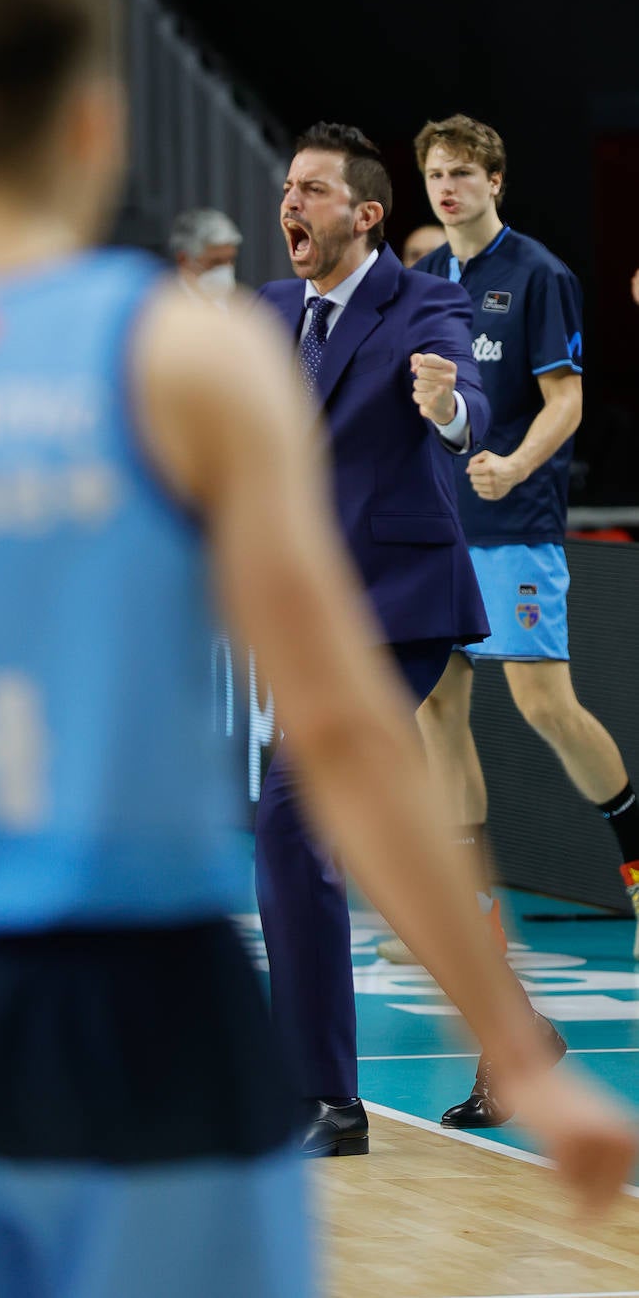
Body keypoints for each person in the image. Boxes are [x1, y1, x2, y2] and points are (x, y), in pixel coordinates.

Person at [0, 0, 634, 1296]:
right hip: (140, 999)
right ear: (95, 126)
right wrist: (510, 1045)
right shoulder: (190, 355)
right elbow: (335, 726)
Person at [253, 121, 492, 1158]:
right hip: (308, 619)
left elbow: (468, 401)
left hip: (398, 606)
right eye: (286, 187)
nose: (289, 204)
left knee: (287, 820)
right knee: (371, 850)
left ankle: (326, 1102)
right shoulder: (266, 313)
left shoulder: (421, 299)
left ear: (364, 214)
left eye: (311, 189)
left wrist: (448, 408)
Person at [402, 111, 639, 1126]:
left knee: (543, 706)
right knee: (433, 716)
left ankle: (635, 846)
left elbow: (565, 401)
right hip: (429, 535)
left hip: (516, 528)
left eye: (461, 173)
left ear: (494, 177)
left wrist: (512, 465)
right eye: (435, 175)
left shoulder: (533, 274)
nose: (447, 188)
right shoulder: (419, 287)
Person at [168, 205, 241, 302]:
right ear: (183, 260)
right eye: (216, 262)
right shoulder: (164, 307)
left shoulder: (239, 305)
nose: (226, 269)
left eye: (231, 260)